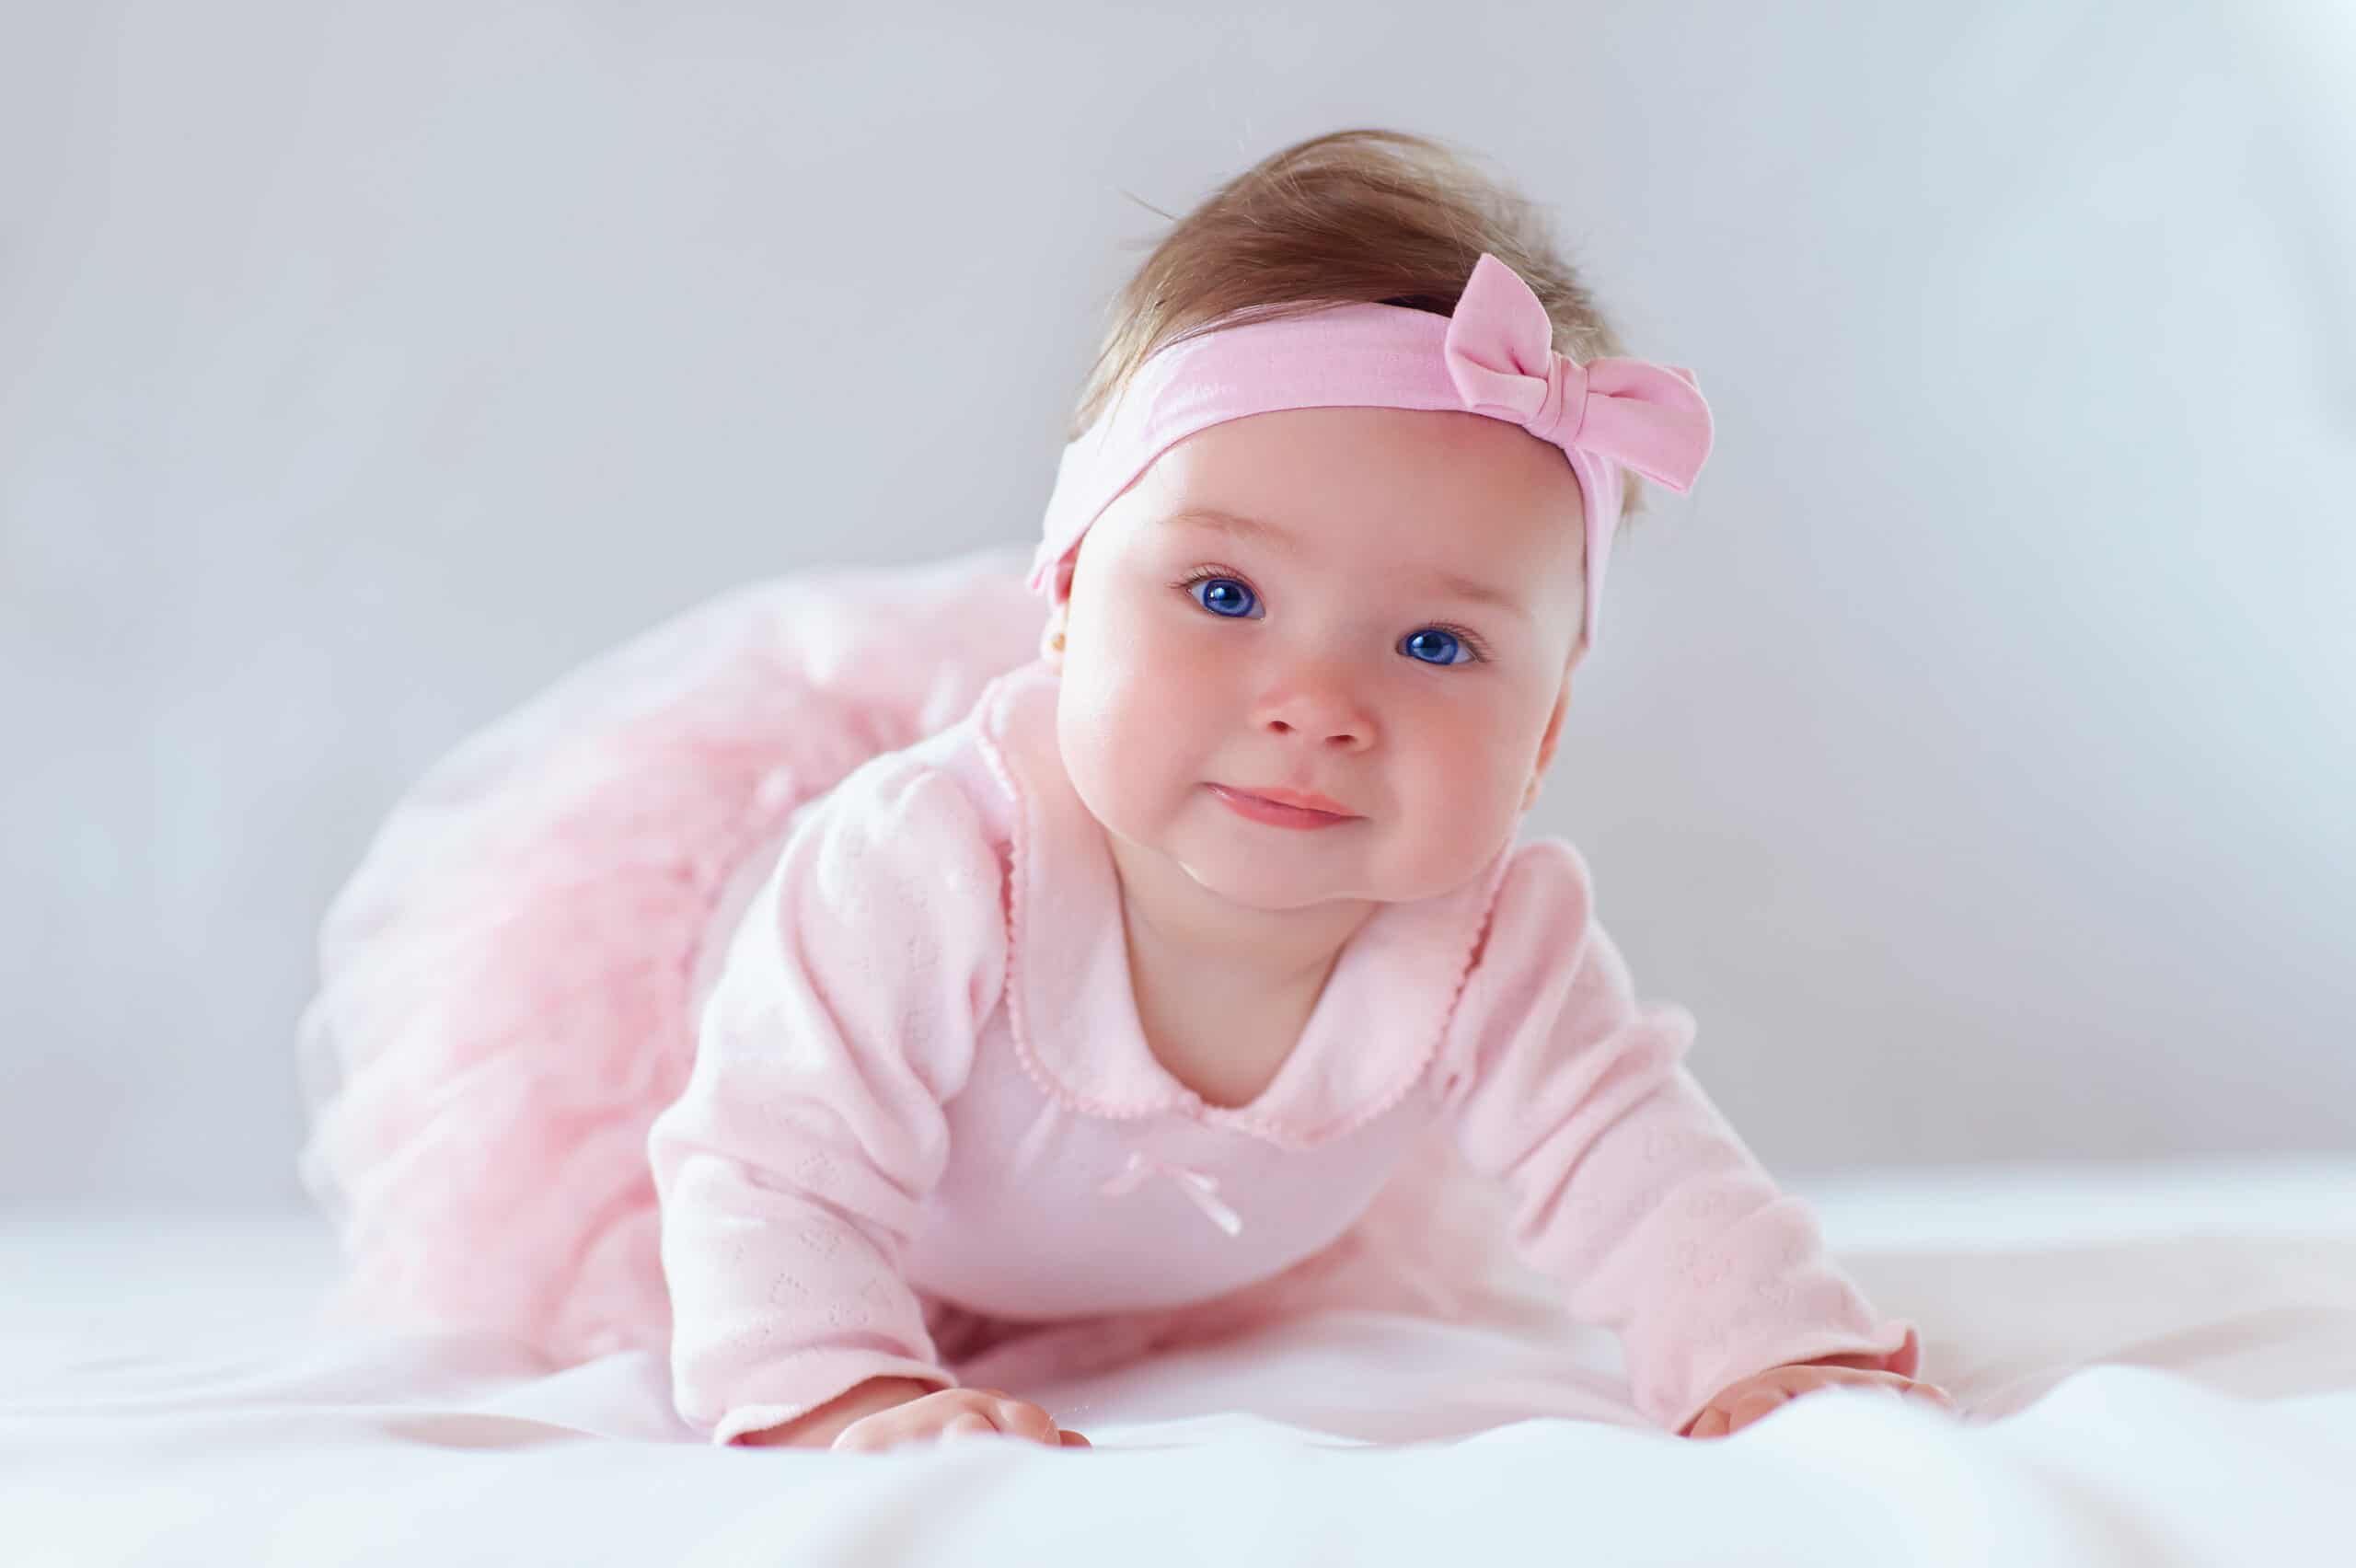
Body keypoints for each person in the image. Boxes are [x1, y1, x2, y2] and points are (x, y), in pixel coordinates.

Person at [296, 128, 1954, 1454]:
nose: (1318, 710)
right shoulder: (929, 860)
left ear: (1549, 722)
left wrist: (1773, 1353)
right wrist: (837, 1387)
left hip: (1127, 1245)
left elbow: (1633, 1161)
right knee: (765, 1195)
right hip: (708, 1050)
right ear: (1072, 595)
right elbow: (770, 1159)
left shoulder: (1489, 933)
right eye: (1223, 598)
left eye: (1439, 644)